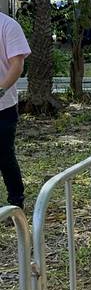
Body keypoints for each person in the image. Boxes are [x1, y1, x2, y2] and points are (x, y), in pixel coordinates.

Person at [0, 11, 30, 210]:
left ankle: (16, 202)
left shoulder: (8, 26)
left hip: (3, 108)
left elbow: (17, 66)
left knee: (4, 155)